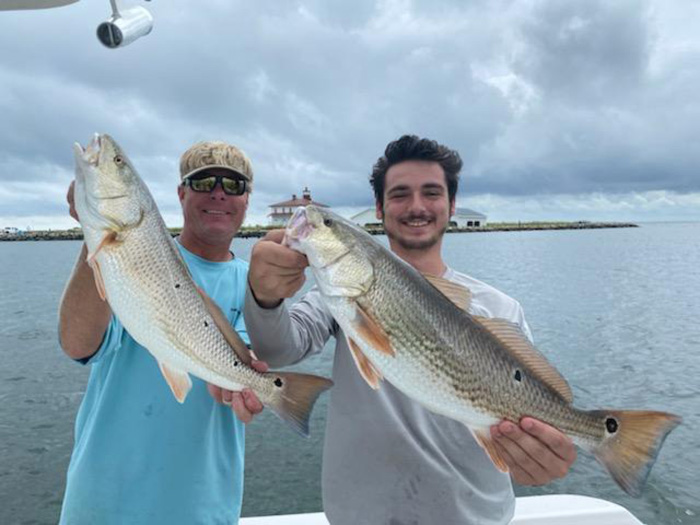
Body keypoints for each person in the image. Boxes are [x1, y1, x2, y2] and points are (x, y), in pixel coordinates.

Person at [242, 135, 577, 524]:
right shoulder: (337, 298)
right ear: (380, 210)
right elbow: (279, 349)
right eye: (400, 195)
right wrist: (265, 298)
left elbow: (532, 421)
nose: (416, 206)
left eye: (431, 193)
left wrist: (538, 457)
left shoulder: (501, 310)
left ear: (451, 205)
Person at [58, 140, 265, 525]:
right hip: (101, 506)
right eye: (204, 181)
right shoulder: (130, 258)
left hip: (203, 510)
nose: (219, 192)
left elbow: (248, 372)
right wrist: (97, 232)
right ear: (181, 193)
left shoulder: (257, 286)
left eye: (234, 185)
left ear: (247, 200)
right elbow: (77, 345)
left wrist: (251, 391)